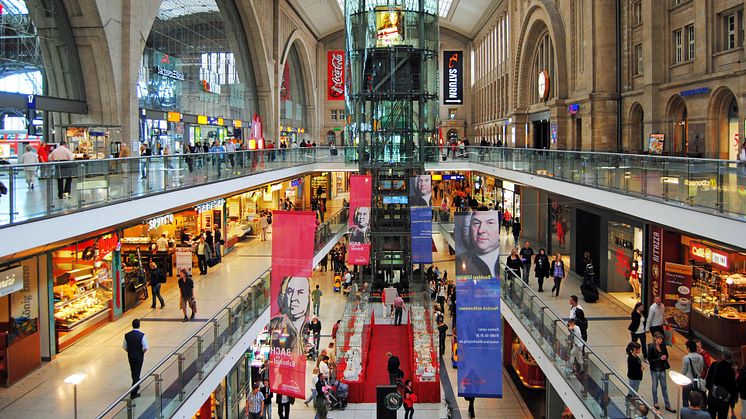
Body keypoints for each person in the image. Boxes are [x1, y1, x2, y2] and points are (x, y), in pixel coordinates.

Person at [268, 276, 310, 353]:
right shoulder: (275, 325)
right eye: (290, 292)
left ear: (308, 297)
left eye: (300, 292)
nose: (293, 298)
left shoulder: (308, 324)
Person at [456, 210, 501, 278]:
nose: (481, 230)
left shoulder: (502, 261)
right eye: (476, 223)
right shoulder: (459, 262)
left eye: (490, 223)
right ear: (469, 228)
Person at [648, 331, 675, 413]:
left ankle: (667, 404)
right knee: (655, 386)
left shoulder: (663, 346)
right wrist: (659, 359)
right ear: (655, 339)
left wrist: (665, 357)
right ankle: (655, 402)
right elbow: (650, 359)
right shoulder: (651, 347)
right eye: (659, 339)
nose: (661, 341)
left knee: (664, 387)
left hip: (662, 368)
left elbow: (666, 354)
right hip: (654, 369)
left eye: (661, 340)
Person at [706, 349, 737, 419]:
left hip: (713, 397)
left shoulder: (715, 365)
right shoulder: (731, 371)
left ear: (723, 356)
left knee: (711, 415)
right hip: (724, 401)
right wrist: (731, 402)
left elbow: (708, 380)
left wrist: (710, 390)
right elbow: (733, 388)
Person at [123, 319, 148, 399]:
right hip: (139, 356)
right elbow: (145, 347)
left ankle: (136, 383)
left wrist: (130, 351)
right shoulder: (142, 335)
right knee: (137, 371)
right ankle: (134, 391)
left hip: (130, 355)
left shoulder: (127, 335)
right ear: (139, 325)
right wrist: (141, 352)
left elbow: (124, 347)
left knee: (133, 370)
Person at [681, 339, 705, 407]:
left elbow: (684, 371)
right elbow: (701, 369)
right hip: (697, 381)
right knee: (696, 399)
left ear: (688, 348)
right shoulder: (700, 357)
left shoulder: (686, 358)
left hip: (687, 381)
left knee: (685, 399)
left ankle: (686, 413)